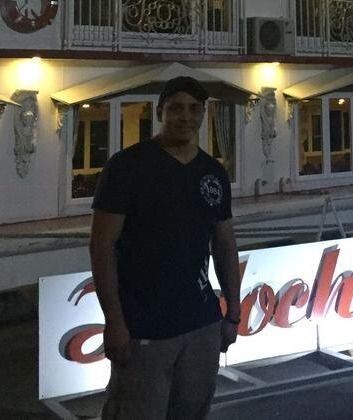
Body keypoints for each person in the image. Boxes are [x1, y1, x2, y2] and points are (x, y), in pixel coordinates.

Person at [90, 76, 241, 419]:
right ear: (160, 112)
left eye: (193, 109)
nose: (185, 117)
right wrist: (114, 321)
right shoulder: (127, 167)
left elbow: (224, 244)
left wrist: (233, 312)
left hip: (202, 323)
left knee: (192, 411)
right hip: (144, 326)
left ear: (203, 114)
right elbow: (101, 247)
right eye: (176, 109)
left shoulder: (212, 172)